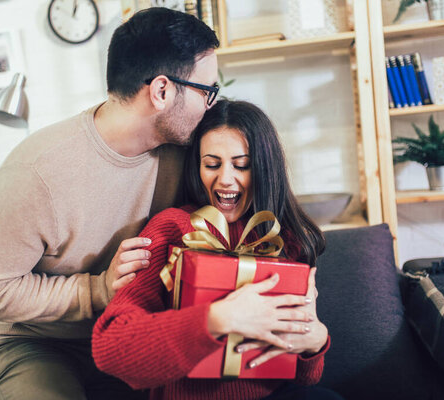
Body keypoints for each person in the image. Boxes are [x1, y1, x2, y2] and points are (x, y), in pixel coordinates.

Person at [0, 7, 220, 400]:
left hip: (126, 331)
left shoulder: (185, 152)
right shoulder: (38, 170)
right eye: (207, 92)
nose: (211, 106)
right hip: (30, 343)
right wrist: (98, 289)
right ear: (162, 91)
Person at [93, 100, 342, 400]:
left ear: (264, 168)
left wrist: (315, 341)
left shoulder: (283, 237)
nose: (225, 179)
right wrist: (216, 320)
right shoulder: (172, 228)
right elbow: (112, 348)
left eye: (241, 165)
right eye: (212, 164)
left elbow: (307, 376)